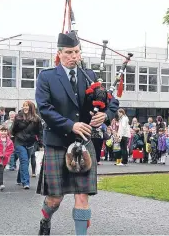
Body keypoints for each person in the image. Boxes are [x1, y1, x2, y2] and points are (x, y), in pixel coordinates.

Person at [35, 31, 119, 235]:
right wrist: (70, 125)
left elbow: (112, 101)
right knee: (55, 198)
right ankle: (45, 219)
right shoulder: (46, 77)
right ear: (60, 53)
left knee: (82, 196)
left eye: (77, 52)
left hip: (84, 142)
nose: (74, 56)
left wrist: (105, 116)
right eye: (70, 52)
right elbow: (44, 108)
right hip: (57, 142)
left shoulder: (89, 76)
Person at [11, 101, 42, 189]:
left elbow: (40, 132)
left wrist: (41, 143)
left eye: (27, 106)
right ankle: (26, 182)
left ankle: (19, 179)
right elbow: (13, 130)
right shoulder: (18, 117)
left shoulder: (37, 119)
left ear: (31, 107)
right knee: (24, 160)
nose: (25, 107)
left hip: (30, 142)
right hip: (19, 141)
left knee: (24, 161)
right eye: (24, 106)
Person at [0, 125, 14, 190]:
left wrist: (6, 154)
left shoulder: (9, 140)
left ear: (7, 132)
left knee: (1, 170)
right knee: (0, 170)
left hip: (5, 159)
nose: (3, 132)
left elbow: (11, 149)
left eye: (5, 131)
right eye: (2, 131)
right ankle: (1, 184)